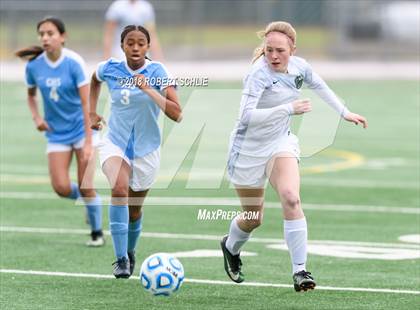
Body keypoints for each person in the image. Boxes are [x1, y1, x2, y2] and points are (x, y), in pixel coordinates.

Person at [221, 21, 368, 292]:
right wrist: (287, 108)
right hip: (248, 150)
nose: (274, 56)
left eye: (280, 51)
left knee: (291, 196)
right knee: (253, 217)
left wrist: (345, 112)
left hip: (280, 143)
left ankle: (300, 271)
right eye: (269, 50)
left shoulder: (301, 66)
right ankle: (230, 246)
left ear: (293, 50)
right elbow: (246, 117)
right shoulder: (258, 74)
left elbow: (321, 87)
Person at [89, 25, 182, 278]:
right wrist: (91, 111)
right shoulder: (110, 68)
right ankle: (120, 260)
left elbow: (177, 114)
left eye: (141, 43)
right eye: (130, 42)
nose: (136, 47)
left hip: (146, 149)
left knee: (135, 210)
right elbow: (94, 79)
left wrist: (148, 89)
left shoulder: (158, 71)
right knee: (119, 189)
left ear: (148, 47)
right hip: (115, 142)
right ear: (122, 46)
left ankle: (130, 251)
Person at [15, 17, 104, 247]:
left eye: (50, 33)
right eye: (42, 33)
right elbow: (31, 96)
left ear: (62, 37)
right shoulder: (34, 66)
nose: (45, 37)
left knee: (86, 186)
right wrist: (37, 117)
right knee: (61, 188)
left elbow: (87, 104)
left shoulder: (74, 63)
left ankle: (97, 233)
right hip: (56, 133)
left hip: (83, 130)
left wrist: (87, 142)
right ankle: (88, 202)